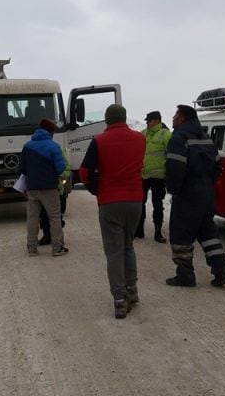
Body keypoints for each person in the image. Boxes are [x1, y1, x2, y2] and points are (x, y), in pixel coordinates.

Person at [80, 104, 146, 319]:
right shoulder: (140, 139)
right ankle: (132, 290)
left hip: (110, 202)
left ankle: (119, 299)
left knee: (114, 251)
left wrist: (96, 190)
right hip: (135, 200)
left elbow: (84, 172)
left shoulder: (99, 141)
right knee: (128, 246)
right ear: (125, 118)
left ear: (107, 120)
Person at [164, 104, 225, 287]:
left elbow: (175, 168)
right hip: (206, 194)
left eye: (175, 115)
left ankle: (185, 275)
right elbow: (218, 165)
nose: (172, 119)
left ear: (182, 118)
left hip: (187, 196)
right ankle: (222, 270)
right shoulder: (205, 137)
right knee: (208, 233)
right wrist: (206, 183)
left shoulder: (179, 138)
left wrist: (174, 190)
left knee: (180, 236)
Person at [18, 119, 68, 257]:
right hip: (49, 188)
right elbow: (60, 168)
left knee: (33, 217)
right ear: (50, 132)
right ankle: (57, 248)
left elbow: (21, 168)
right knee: (54, 217)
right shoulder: (54, 147)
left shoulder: (27, 146)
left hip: (32, 187)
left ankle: (32, 248)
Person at [136, 110, 171, 243]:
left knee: (158, 204)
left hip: (158, 176)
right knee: (140, 203)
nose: (148, 123)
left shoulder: (166, 134)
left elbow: (170, 154)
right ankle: (139, 230)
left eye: (149, 121)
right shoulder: (143, 133)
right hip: (144, 175)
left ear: (156, 121)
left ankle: (158, 232)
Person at [38, 145, 71, 246]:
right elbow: (67, 168)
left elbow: (66, 168)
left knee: (52, 214)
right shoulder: (55, 149)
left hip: (52, 188)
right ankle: (50, 237)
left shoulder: (55, 150)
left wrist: (60, 177)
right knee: (47, 214)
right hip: (48, 188)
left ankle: (53, 237)